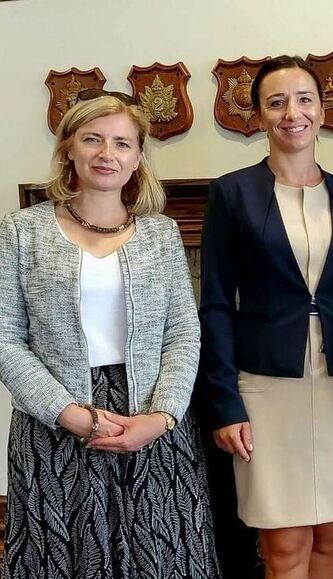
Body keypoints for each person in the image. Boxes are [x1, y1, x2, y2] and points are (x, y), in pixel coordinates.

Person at [0, 92, 220, 578]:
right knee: (66, 555)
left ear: (138, 157)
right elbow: (5, 336)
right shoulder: (21, 231)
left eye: (122, 143)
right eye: (93, 139)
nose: (107, 154)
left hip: (151, 416)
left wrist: (163, 415)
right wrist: (69, 414)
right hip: (54, 424)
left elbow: (183, 329)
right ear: (68, 150)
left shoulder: (161, 234)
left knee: (162, 556)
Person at [196, 55, 333, 579]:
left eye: (304, 100)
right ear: (258, 116)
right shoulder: (232, 193)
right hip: (263, 386)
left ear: (323, 111)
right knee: (283, 543)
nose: (291, 113)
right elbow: (213, 303)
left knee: (329, 534)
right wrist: (224, 402)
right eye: (275, 102)